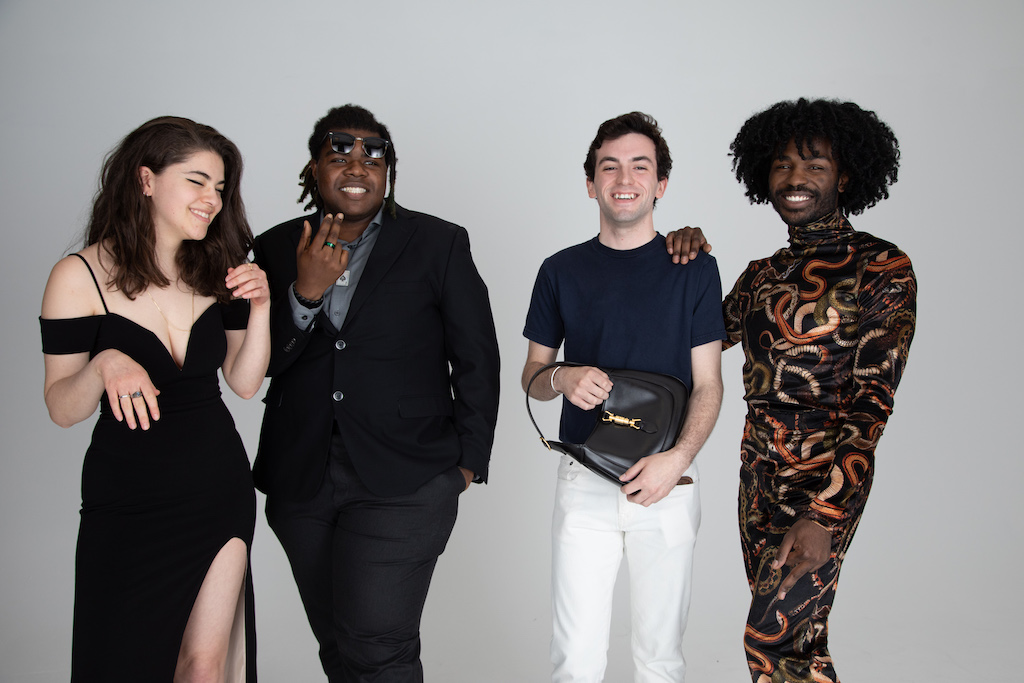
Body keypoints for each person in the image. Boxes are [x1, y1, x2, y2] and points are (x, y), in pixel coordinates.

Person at [667, 98, 917, 682]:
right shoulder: (762, 275)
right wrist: (679, 257)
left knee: (776, 641)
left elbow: (874, 400)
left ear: (846, 175)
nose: (795, 178)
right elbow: (690, 344)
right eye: (782, 165)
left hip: (826, 475)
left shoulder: (881, 267)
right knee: (794, 644)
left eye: (815, 165)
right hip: (758, 475)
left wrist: (826, 515)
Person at [251, 104, 499, 682]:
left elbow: (476, 358)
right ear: (314, 169)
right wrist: (303, 295)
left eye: (373, 154)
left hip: (408, 476)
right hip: (301, 477)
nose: (356, 165)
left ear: (389, 171)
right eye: (339, 154)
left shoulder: (438, 243)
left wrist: (466, 463)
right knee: (338, 643)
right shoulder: (273, 247)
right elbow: (261, 364)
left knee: (377, 644)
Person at [40, 116, 270, 682]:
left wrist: (262, 308)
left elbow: (243, 382)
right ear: (146, 180)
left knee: (205, 666)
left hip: (218, 490)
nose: (211, 200)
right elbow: (62, 408)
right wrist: (103, 364)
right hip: (127, 500)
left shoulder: (222, 270)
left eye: (219, 188)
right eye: (196, 181)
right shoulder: (78, 277)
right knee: (124, 664)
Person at [522, 112, 725, 683]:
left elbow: (708, 384)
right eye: (609, 167)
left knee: (660, 660)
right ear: (591, 183)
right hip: (584, 476)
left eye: (641, 165)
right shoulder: (560, 270)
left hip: (667, 480)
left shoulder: (695, 269)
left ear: (660, 184)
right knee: (575, 660)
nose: (624, 178)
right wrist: (561, 378)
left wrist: (676, 461)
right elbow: (532, 376)